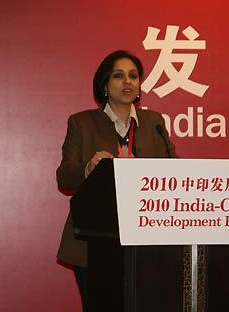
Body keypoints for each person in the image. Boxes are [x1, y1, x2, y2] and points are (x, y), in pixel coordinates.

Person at [56, 50, 177, 311]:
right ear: (104, 85)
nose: (128, 82)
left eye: (133, 76)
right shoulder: (82, 123)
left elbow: (173, 171)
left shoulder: (154, 122)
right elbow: (64, 175)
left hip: (146, 239)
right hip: (94, 240)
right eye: (119, 76)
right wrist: (88, 168)